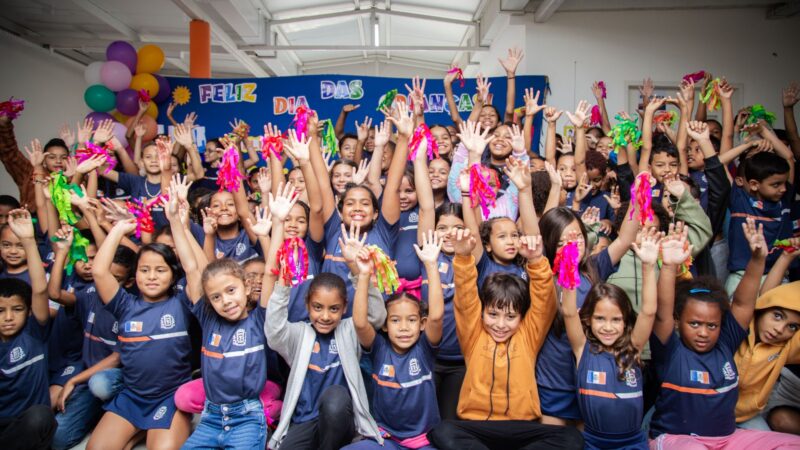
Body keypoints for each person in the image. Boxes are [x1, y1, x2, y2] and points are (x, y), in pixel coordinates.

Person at [649, 217, 800, 448]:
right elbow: (662, 313)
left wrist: (758, 259)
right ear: (678, 322)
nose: (703, 332)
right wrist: (669, 266)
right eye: (695, 324)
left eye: (712, 325)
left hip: (727, 438)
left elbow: (742, 304)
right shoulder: (670, 352)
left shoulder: (725, 344)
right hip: (677, 439)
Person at [427, 228, 583, 449]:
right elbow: (465, 298)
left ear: (521, 318)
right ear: (482, 313)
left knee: (571, 438)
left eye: (510, 317)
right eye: (492, 315)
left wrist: (537, 260)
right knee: (442, 432)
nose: (500, 324)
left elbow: (543, 302)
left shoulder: (528, 335)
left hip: (522, 426)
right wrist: (462, 256)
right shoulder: (474, 333)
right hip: (478, 425)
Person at [265, 222, 387, 450]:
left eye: (334, 309)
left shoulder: (350, 329)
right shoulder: (298, 334)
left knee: (335, 399)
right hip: (305, 420)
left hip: (340, 420)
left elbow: (375, 316)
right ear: (307, 305)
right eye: (318, 307)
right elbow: (274, 330)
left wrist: (359, 272)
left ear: (344, 308)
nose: (325, 316)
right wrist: (283, 283)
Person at [87, 219, 192, 449]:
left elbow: (193, 268)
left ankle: (145, 432)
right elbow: (99, 270)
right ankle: (140, 431)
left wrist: (178, 224)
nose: (152, 276)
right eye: (145, 270)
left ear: (174, 276)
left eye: (160, 270)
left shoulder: (182, 302)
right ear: (135, 275)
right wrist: (117, 230)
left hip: (170, 396)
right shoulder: (124, 305)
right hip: (133, 395)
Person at [343, 230, 444, 450]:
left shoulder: (424, 349)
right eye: (396, 321)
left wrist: (431, 265)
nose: (404, 328)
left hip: (423, 442)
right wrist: (363, 276)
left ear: (422, 324)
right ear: (386, 326)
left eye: (411, 320)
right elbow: (361, 323)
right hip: (385, 440)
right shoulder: (379, 348)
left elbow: (436, 315)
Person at [561, 227, 661, 449]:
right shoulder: (582, 349)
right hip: (592, 443)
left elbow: (649, 311)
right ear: (587, 319)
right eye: (600, 319)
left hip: (633, 443)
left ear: (625, 321)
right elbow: (568, 311)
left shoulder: (632, 349)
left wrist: (648, 265)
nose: (608, 327)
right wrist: (568, 260)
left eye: (616, 320)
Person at [0, 209, 56, 450]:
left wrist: (29, 240)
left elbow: (40, 289)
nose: (9, 318)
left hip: (26, 425)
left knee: (40, 417)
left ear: (29, 311)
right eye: (1, 311)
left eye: (18, 309)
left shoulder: (34, 331)